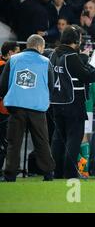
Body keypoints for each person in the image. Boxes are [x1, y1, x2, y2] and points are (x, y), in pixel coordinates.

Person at [0, 35, 55, 182]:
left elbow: (3, 84)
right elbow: (51, 85)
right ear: (40, 47)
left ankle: (10, 175)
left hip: (16, 106)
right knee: (42, 141)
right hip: (37, 107)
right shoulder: (46, 62)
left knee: (13, 142)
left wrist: (8, 96)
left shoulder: (13, 59)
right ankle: (48, 173)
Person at [49, 26, 95, 179]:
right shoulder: (71, 56)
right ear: (75, 40)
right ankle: (69, 173)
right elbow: (86, 76)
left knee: (58, 138)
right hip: (73, 103)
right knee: (74, 138)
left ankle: (55, 172)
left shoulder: (53, 54)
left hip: (56, 102)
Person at [0, 42, 20, 175]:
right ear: (10, 53)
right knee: (5, 142)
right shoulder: (4, 67)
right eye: (18, 52)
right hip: (3, 109)